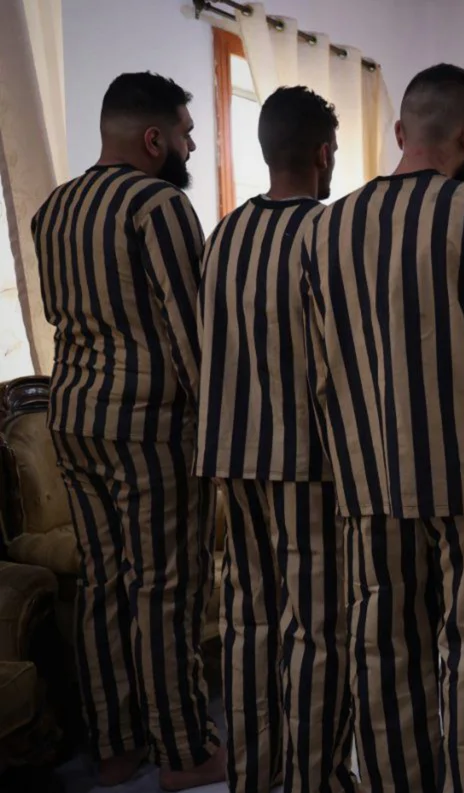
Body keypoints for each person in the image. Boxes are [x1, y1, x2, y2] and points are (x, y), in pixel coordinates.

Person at [300, 63, 464, 792]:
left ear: (399, 131)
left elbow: (321, 371)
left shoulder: (324, 230)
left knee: (383, 659)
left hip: (369, 488)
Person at [30, 71, 224, 790]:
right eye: (185, 133)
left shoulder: (52, 208)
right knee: (165, 588)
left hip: (72, 417)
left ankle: (115, 750)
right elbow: (191, 332)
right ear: (153, 139)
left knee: (103, 585)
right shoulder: (159, 204)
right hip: (149, 425)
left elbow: (60, 314)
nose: (191, 146)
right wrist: (221, 433)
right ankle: (184, 751)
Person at [195, 86, 355, 793]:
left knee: (248, 623)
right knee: (318, 629)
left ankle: (254, 777)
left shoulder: (223, 233)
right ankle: (317, 779)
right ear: (322, 153)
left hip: (232, 456)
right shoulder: (330, 231)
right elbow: (345, 359)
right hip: (309, 461)